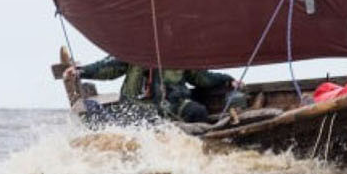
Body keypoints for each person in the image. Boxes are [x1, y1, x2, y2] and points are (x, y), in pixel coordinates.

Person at [70, 55, 239, 123]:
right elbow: (108, 68)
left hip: (174, 104)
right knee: (145, 122)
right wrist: (81, 72)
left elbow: (201, 77)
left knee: (198, 111)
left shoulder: (178, 52)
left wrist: (227, 80)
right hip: (139, 106)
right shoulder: (133, 51)